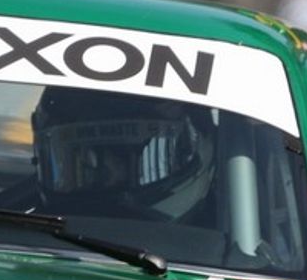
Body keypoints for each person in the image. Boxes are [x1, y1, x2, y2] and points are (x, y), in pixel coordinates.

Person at [29, 88, 215, 221]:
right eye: (94, 171)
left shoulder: (225, 245)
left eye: (127, 163)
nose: (112, 183)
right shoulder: (21, 227)